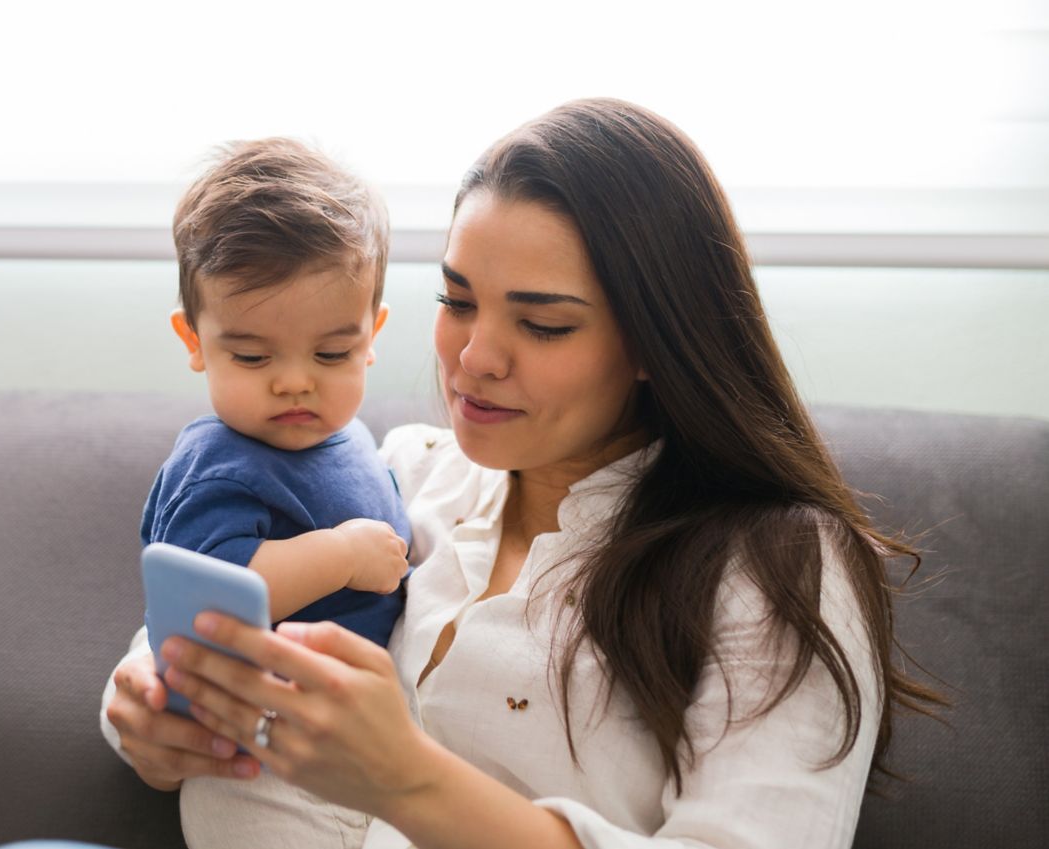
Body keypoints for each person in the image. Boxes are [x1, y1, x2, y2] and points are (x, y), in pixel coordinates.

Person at [103, 98, 944, 849]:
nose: (472, 359)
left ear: (655, 341)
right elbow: (200, 606)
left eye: (541, 325)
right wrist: (138, 710)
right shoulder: (399, 475)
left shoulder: (779, 568)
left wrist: (408, 779)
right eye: (457, 301)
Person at [141, 138, 413, 847]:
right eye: (252, 355)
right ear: (194, 339)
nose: (295, 380)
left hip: (354, 746)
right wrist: (341, 554)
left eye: (331, 353)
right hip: (254, 757)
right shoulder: (218, 462)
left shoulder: (355, 439)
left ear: (371, 335)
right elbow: (209, 596)